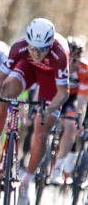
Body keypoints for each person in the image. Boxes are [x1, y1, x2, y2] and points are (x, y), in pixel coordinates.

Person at [0, 18, 69, 205]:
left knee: (41, 130)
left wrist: (49, 109)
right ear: (28, 42)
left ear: (51, 44)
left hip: (50, 80)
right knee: (6, 92)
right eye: (33, 48)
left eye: (42, 49)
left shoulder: (60, 54)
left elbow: (63, 93)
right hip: (28, 69)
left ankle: (25, 184)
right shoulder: (20, 47)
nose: (36, 53)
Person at [50, 36, 88, 184]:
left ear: (80, 59)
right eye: (68, 59)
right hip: (56, 94)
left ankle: (59, 168)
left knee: (72, 125)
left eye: (75, 60)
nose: (71, 63)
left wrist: (78, 118)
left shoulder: (84, 70)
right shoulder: (55, 63)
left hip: (73, 99)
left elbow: (81, 100)